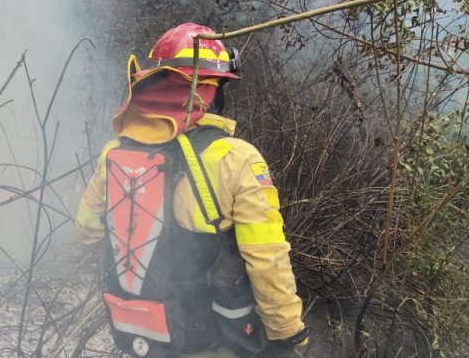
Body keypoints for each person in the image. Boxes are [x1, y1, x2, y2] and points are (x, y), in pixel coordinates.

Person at [76, 23, 309, 358]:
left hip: (139, 333)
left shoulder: (115, 152)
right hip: (211, 341)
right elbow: (267, 261)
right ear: (212, 91)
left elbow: (86, 231)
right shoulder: (237, 158)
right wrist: (287, 336)